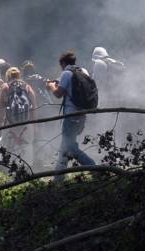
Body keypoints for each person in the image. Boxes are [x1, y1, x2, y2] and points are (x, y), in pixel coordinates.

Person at [46, 51, 96, 182]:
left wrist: (51, 87)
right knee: (65, 146)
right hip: (82, 114)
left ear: (63, 63)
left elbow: (59, 94)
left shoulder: (66, 73)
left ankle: (94, 168)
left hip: (71, 116)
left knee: (69, 147)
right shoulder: (83, 71)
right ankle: (58, 179)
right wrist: (57, 80)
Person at [0, 67, 37, 166]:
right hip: (26, 122)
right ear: (19, 76)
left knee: (5, 144)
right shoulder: (27, 87)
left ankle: (8, 167)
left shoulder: (6, 86)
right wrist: (34, 124)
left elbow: (0, 105)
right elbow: (34, 106)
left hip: (10, 123)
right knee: (27, 144)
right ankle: (28, 169)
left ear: (7, 76)